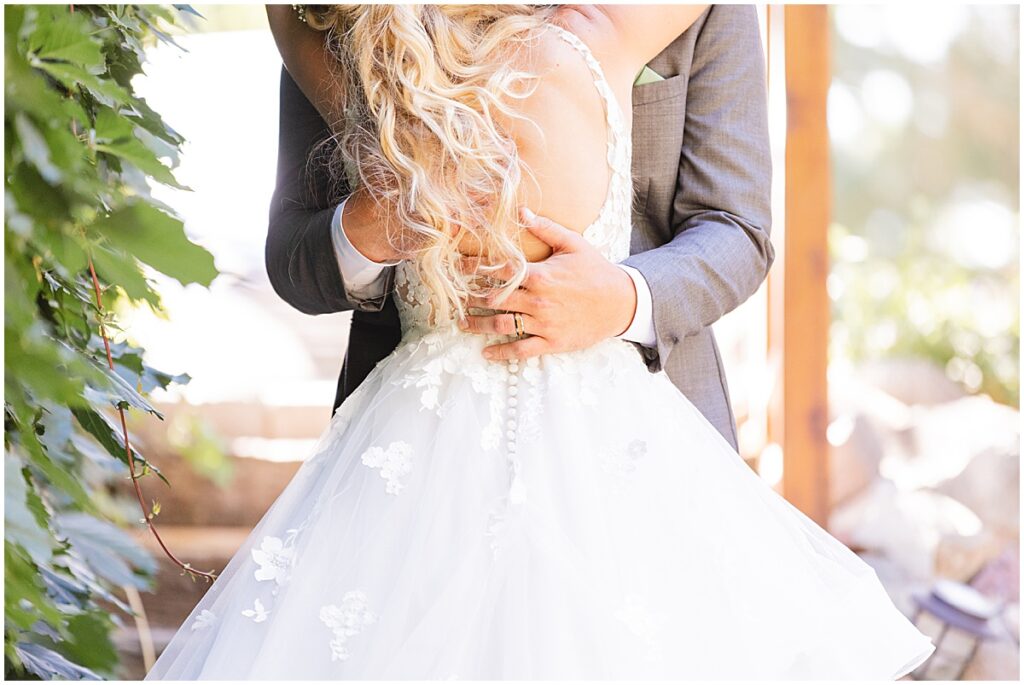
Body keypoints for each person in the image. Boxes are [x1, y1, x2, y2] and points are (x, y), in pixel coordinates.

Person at [147, 5, 934, 679]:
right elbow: (292, 254)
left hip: (637, 448)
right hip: (411, 465)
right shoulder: (347, 15)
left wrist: (624, 297)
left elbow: (737, 227)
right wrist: (368, 230)